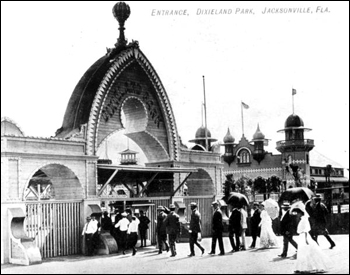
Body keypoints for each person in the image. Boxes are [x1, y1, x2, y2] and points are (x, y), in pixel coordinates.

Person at [292, 203, 330, 274]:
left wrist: (306, 238)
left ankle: (306, 267)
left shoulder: (304, 220)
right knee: (302, 251)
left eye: (298, 213)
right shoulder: (302, 219)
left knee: (306, 251)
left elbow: (306, 229)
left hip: (304, 236)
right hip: (302, 236)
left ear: (301, 213)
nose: (297, 214)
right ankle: (301, 267)